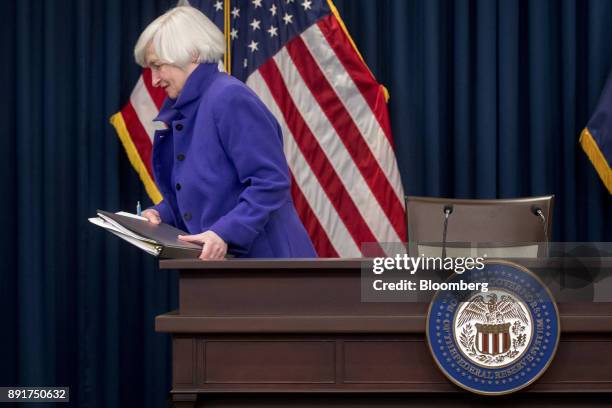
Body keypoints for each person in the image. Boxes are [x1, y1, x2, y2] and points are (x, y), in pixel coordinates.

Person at [133, 5, 316, 260]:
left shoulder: (229, 98)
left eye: (158, 66)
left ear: (193, 54)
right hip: (227, 271)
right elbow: (204, 192)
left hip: (270, 266)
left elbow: (270, 182)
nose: (154, 80)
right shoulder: (190, 108)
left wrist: (223, 233)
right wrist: (161, 214)